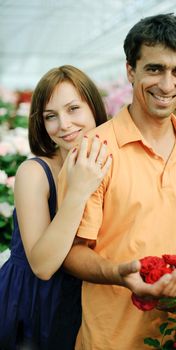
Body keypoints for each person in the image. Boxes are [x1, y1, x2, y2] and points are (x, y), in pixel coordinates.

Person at [58, 14, 176, 350]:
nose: (167, 85)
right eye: (154, 69)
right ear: (130, 70)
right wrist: (120, 274)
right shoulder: (93, 151)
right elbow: (73, 252)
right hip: (110, 339)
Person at [0, 65, 112, 350]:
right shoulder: (34, 173)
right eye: (51, 116)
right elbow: (43, 266)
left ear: (94, 109)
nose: (63, 124)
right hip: (32, 301)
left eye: (74, 108)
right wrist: (78, 190)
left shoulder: (111, 162)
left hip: (84, 299)